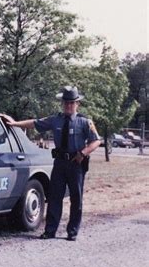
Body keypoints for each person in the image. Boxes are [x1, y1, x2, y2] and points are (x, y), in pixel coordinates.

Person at [7, 86, 101, 241]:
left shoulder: (84, 122)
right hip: (59, 163)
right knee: (54, 197)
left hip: (76, 164)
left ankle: (72, 231)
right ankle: (50, 230)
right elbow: (34, 123)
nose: (68, 106)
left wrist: (83, 153)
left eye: (72, 103)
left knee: (76, 198)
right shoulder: (55, 119)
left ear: (77, 104)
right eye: (66, 103)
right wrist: (15, 124)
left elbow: (96, 140)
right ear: (62, 103)